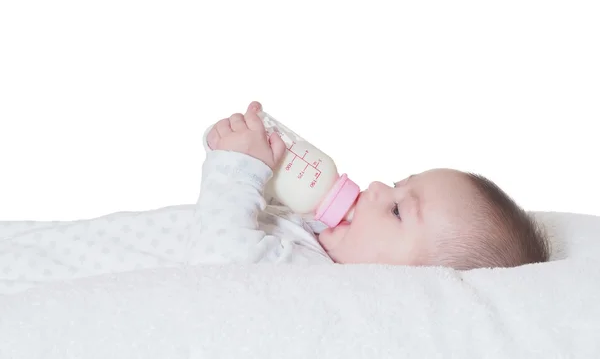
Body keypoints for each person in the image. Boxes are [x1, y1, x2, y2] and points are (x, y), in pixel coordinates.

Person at [190, 101, 550, 270]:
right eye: (396, 185)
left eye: (397, 210)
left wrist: (239, 170)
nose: (376, 186)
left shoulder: (314, 279)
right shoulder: (317, 237)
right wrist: (265, 167)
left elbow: (221, 262)